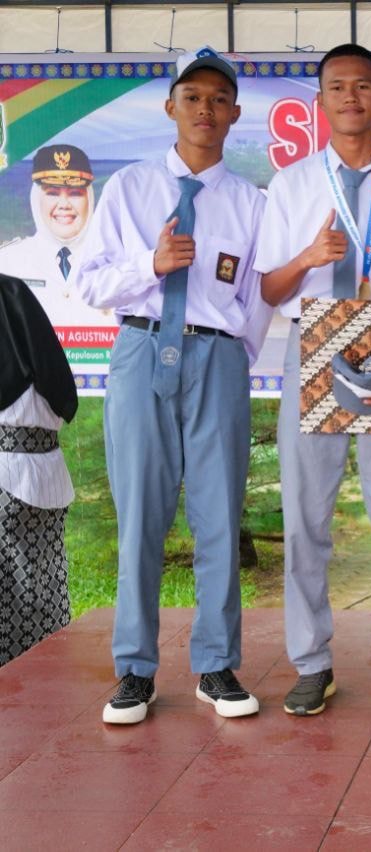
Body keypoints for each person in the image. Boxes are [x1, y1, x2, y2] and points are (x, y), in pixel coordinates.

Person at [78, 47, 271, 723]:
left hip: (216, 361)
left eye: (219, 100)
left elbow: (258, 296)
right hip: (138, 349)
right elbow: (88, 282)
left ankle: (216, 665)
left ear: (234, 115)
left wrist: (229, 354)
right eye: (192, 98)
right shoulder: (129, 188)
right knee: (141, 518)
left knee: (218, 513)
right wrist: (149, 264)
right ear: (170, 108)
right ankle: (133, 669)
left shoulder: (250, 202)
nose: (205, 110)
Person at [256, 43, 371, 716]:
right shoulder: (294, 184)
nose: (351, 97)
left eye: (364, 87)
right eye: (337, 87)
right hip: (318, 339)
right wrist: (309, 256)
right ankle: (311, 660)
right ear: (320, 101)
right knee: (306, 518)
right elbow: (269, 289)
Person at [0, 274, 78, 666]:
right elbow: (64, 400)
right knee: (43, 596)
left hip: (10, 480)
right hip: (44, 476)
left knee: (15, 607)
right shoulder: (15, 298)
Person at [0, 145, 103, 328]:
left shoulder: (113, 258)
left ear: (90, 198)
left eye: (75, 194)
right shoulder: (7, 261)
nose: (64, 204)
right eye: (53, 193)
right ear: (36, 199)